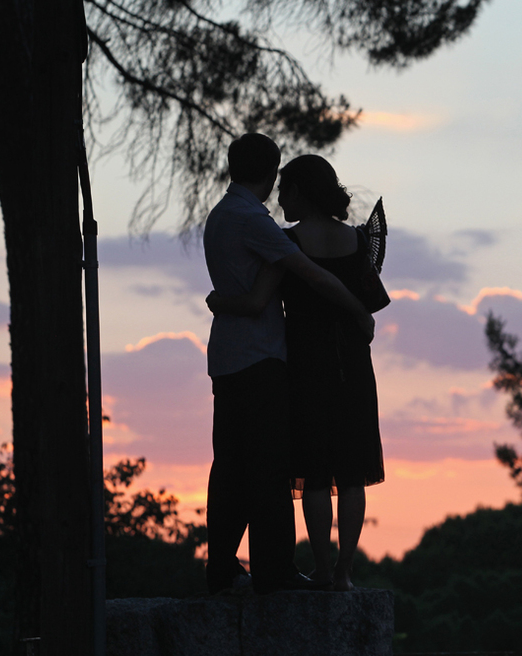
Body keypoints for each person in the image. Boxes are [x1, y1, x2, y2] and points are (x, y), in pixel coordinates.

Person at [203, 135, 374, 595]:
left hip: (229, 358)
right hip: (262, 358)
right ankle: (276, 571)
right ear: (269, 169)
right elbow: (307, 277)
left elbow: (259, 291)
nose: (279, 196)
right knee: (270, 467)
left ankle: (221, 565)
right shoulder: (257, 223)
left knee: (232, 465)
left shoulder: (220, 216)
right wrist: (359, 313)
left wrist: (219, 300)